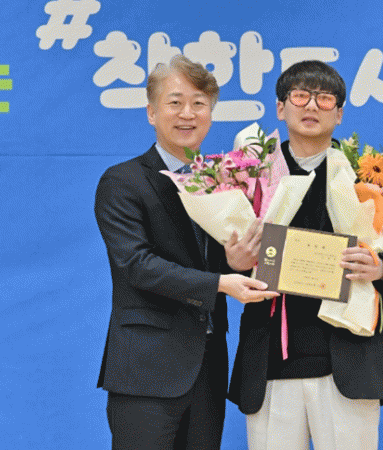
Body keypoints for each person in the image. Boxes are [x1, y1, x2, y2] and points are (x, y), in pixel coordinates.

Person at [227, 60, 383, 450]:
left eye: (324, 99)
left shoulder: (369, 175)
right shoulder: (250, 175)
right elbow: (217, 254)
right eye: (300, 96)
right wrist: (234, 263)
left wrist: (381, 268)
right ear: (280, 108)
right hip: (271, 361)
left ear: (339, 114)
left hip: (349, 360)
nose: (311, 106)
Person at [95, 54, 278, 450]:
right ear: (151, 112)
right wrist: (221, 282)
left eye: (199, 103)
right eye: (175, 102)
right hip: (147, 369)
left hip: (208, 366)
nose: (187, 114)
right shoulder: (123, 181)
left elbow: (218, 262)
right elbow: (137, 265)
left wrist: (235, 264)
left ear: (210, 114)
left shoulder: (224, 182)